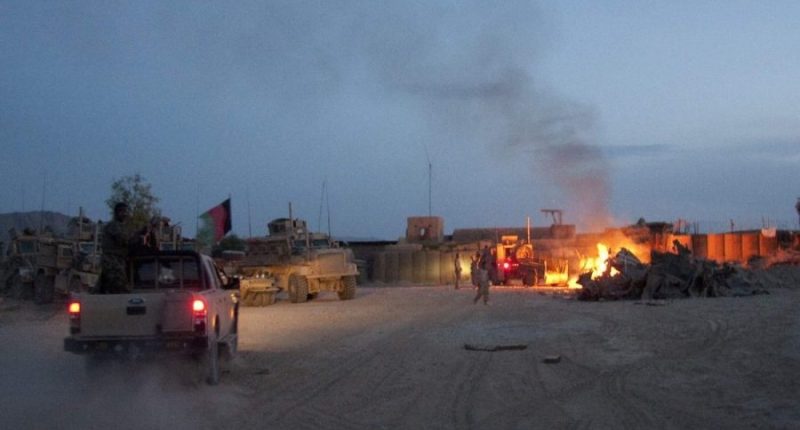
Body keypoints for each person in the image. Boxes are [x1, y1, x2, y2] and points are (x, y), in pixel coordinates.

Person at [97, 202, 134, 294]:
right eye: (123, 212)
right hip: (112, 261)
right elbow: (124, 240)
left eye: (126, 212)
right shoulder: (113, 226)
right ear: (117, 213)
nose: (125, 214)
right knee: (121, 287)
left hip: (117, 260)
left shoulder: (121, 226)